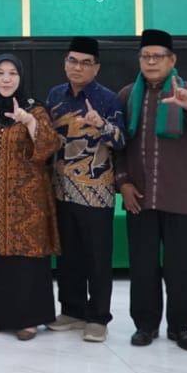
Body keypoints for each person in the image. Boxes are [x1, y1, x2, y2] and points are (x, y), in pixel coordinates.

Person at [115, 29, 187, 352]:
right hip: (139, 196)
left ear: (172, 60)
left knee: (183, 268)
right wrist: (123, 182)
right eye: (145, 56)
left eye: (158, 57)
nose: (151, 62)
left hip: (183, 197)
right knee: (143, 266)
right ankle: (145, 325)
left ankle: (181, 327)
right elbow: (118, 145)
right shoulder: (128, 95)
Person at [0, 53, 60, 341]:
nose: (6, 79)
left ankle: (29, 320)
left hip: (27, 202)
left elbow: (49, 148)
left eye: (13, 73)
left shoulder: (35, 110)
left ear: (21, 78)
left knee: (26, 262)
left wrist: (29, 123)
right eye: (0, 73)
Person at [43, 35, 125, 342]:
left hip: (96, 193)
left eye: (85, 63)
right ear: (65, 63)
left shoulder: (108, 99)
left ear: (96, 67)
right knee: (68, 255)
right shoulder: (55, 95)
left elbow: (122, 141)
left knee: (97, 257)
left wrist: (101, 125)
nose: (78, 67)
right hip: (61, 189)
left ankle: (98, 317)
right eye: (73, 61)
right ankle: (72, 310)